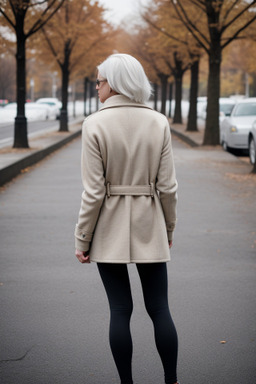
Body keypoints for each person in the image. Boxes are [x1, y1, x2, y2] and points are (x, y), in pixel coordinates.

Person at [75, 53, 179, 384]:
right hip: (151, 221)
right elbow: (168, 188)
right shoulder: (159, 121)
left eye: (100, 81)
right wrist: (169, 228)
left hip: (109, 226)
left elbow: (93, 192)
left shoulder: (94, 124)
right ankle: (172, 380)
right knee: (160, 308)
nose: (97, 87)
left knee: (120, 310)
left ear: (115, 83)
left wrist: (82, 239)